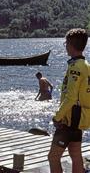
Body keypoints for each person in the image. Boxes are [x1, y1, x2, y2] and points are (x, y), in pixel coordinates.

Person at [48, 28, 89, 173]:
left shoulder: (75, 68)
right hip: (80, 119)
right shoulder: (86, 66)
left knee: (53, 157)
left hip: (69, 119)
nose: (65, 46)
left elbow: (71, 97)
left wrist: (57, 117)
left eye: (66, 43)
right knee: (75, 154)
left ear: (71, 45)